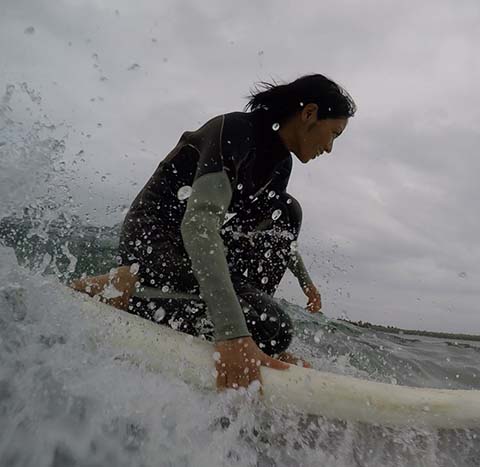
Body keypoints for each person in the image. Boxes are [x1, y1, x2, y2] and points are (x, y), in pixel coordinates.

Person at [71, 74, 355, 391]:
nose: (329, 148)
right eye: (333, 134)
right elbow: (199, 226)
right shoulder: (235, 131)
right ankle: (122, 286)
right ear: (309, 114)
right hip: (153, 240)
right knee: (273, 324)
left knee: (287, 210)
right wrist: (231, 332)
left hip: (188, 252)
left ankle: (254, 332)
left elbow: (273, 233)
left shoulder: (280, 165)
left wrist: (306, 283)